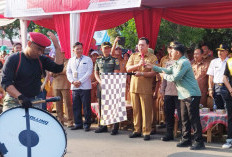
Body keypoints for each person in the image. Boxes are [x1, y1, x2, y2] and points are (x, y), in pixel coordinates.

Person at [146, 42, 205, 150]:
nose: (170, 52)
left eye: (172, 51)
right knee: (184, 118)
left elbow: (175, 77)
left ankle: (199, 141)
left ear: (177, 52)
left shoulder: (184, 62)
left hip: (191, 94)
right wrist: (154, 67)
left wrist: (164, 76)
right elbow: (169, 70)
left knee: (193, 118)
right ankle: (186, 139)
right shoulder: (177, 62)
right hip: (182, 94)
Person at [1, 32, 64, 111]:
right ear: (29, 43)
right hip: (14, 100)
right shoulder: (13, 59)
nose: (40, 53)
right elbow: (6, 83)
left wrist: (57, 47)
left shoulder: (42, 59)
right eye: (38, 49)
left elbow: (58, 68)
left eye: (42, 50)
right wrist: (20, 97)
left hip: (34, 100)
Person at [126, 37, 158, 141]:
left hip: (146, 89)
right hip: (134, 88)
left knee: (146, 111)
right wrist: (137, 65)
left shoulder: (153, 58)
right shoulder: (133, 56)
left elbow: (154, 72)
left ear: (148, 46)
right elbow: (128, 69)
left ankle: (146, 131)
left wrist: (142, 73)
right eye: (139, 45)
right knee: (136, 111)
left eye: (143, 45)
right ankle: (136, 130)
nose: (140, 47)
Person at [94, 41, 120, 135]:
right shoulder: (98, 60)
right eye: (105, 48)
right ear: (101, 49)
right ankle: (103, 126)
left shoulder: (114, 60)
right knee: (102, 106)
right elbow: (96, 73)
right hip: (101, 86)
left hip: (111, 85)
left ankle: (115, 127)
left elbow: (116, 72)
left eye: (108, 48)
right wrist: (100, 82)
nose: (107, 50)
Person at [66, 42, 93, 131]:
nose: (79, 50)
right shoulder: (71, 60)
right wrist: (73, 81)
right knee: (76, 106)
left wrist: (80, 81)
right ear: (73, 50)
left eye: (81, 48)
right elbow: (68, 72)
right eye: (77, 49)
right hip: (74, 87)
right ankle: (78, 123)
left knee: (86, 106)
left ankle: (87, 124)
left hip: (85, 86)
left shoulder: (88, 59)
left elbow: (89, 72)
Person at [160, 42, 181, 141]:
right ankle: (169, 134)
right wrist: (162, 90)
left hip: (179, 93)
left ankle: (183, 135)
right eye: (170, 48)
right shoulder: (167, 63)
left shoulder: (183, 62)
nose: (171, 50)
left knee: (182, 116)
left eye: (172, 48)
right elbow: (163, 79)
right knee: (168, 114)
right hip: (168, 92)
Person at [52, 58, 74, 128]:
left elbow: (66, 71)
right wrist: (59, 72)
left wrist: (56, 72)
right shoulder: (54, 62)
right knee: (58, 104)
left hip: (65, 85)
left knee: (67, 104)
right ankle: (60, 120)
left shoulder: (67, 61)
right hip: (56, 85)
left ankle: (70, 121)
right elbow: (51, 73)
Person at [207, 44, 229, 109]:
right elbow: (210, 76)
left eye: (222, 51)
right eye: (218, 50)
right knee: (218, 107)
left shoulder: (230, 61)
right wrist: (210, 88)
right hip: (216, 87)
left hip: (227, 86)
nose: (219, 52)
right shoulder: (214, 62)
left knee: (228, 107)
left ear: (226, 52)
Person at [222, 57, 232, 149]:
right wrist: (230, 90)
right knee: (231, 117)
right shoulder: (229, 62)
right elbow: (224, 77)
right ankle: (230, 140)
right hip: (231, 94)